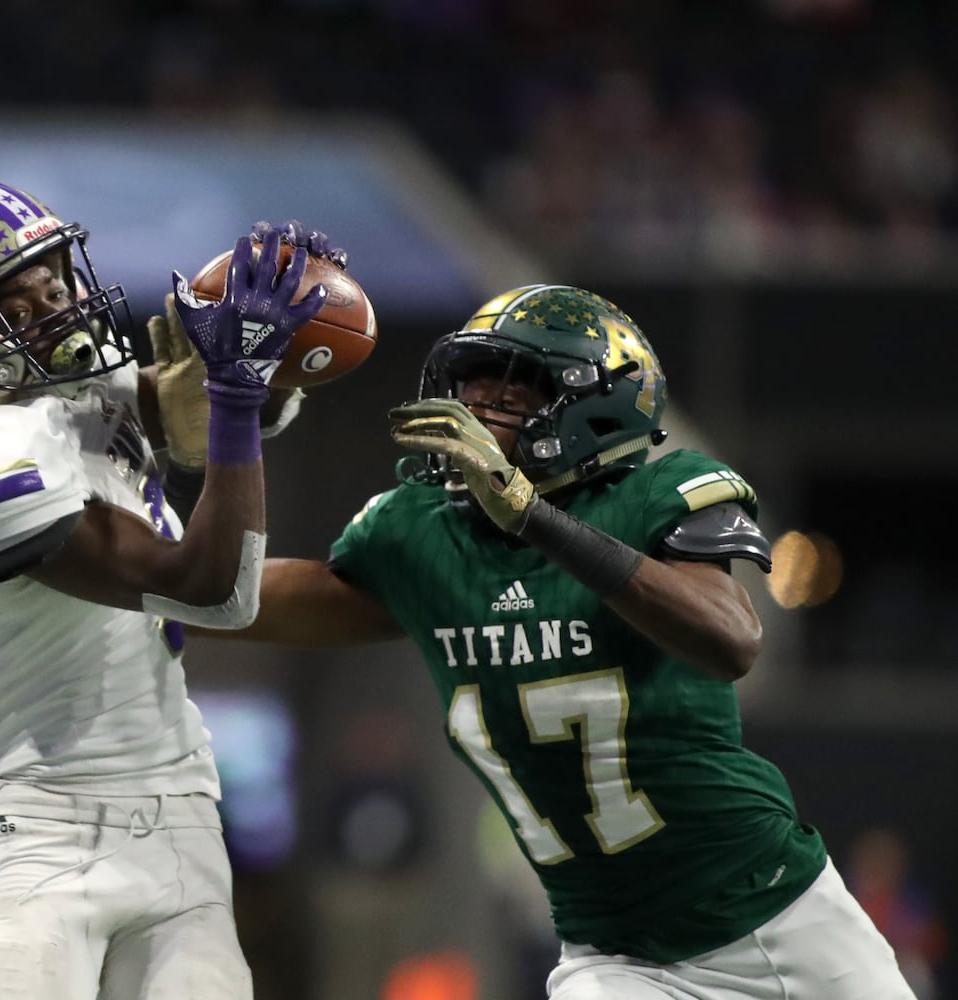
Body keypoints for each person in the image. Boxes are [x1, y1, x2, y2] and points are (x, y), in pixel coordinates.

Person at [194, 284, 918, 998]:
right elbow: (225, 592)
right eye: (470, 384)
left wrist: (532, 515)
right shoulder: (418, 534)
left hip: (780, 910)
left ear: (594, 407)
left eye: (510, 391)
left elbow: (732, 641)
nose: (474, 407)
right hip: (613, 952)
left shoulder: (654, 496)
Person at [0, 177, 330, 1000]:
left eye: (54, 279)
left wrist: (269, 325)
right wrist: (241, 391)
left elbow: (194, 415)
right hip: (43, 825)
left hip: (178, 804)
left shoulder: (59, 384)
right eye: (19, 301)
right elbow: (211, 588)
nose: (60, 307)